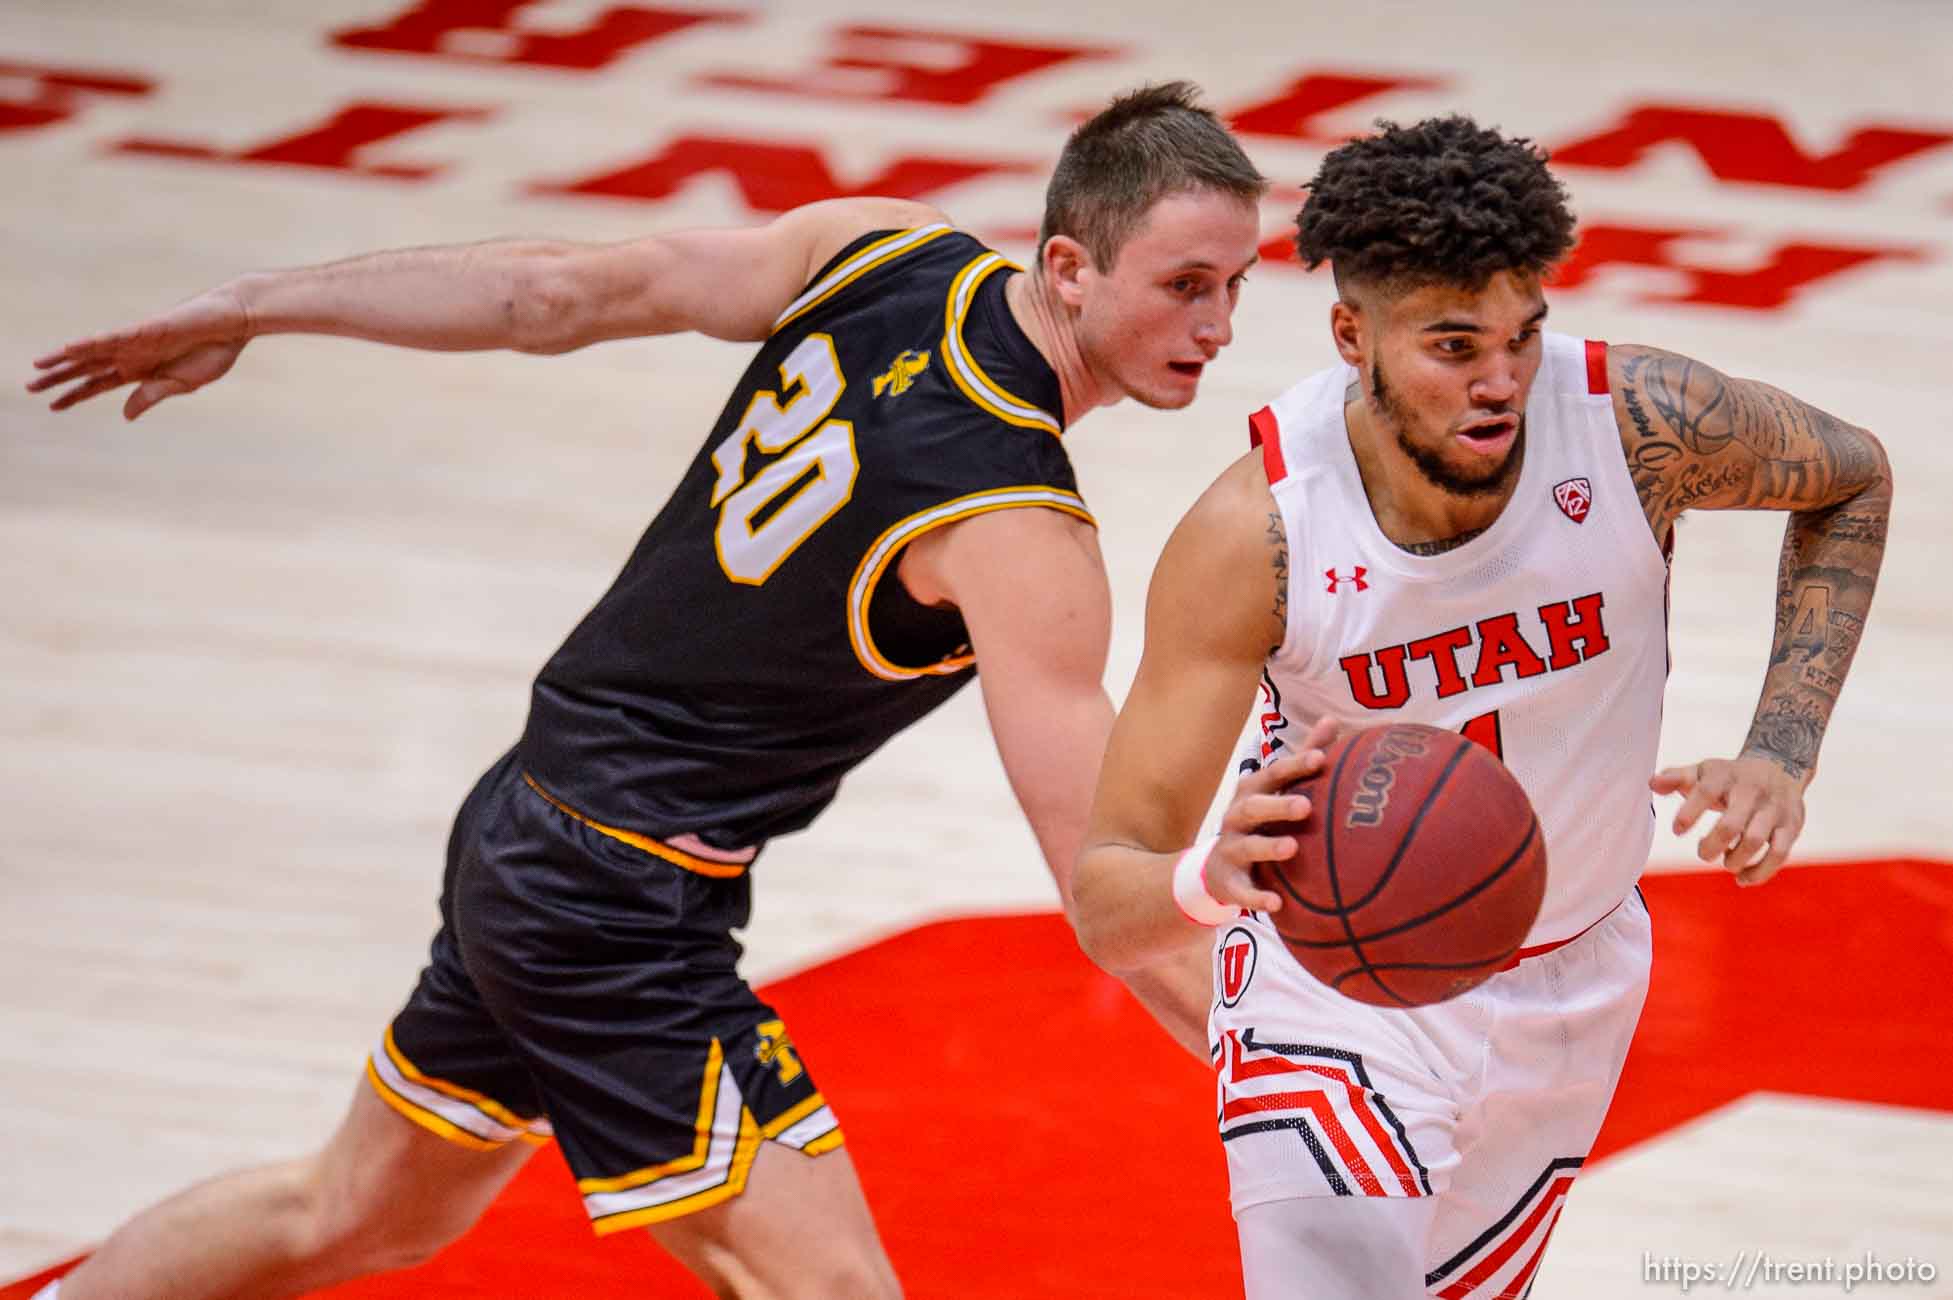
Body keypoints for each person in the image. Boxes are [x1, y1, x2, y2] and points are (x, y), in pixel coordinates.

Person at [24, 82, 1265, 1300]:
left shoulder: (883, 247)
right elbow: (1107, 887)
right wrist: (1282, 1068)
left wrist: (259, 302)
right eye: (1183, 286)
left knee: (354, 1209)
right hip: (614, 906)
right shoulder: (1021, 532)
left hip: (525, 820)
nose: (1216, 326)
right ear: (1067, 267)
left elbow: (554, 291)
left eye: (1233, 288)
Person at [1071, 115, 1892, 1298]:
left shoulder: (1637, 423)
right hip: (1333, 982)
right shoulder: (1257, 534)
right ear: (1353, 333)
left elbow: (1851, 472)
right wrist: (1215, 873)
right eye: (1453, 345)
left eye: (1521, 336)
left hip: (1574, 969)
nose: (1500, 380)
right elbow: (1110, 890)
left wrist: (1781, 747)